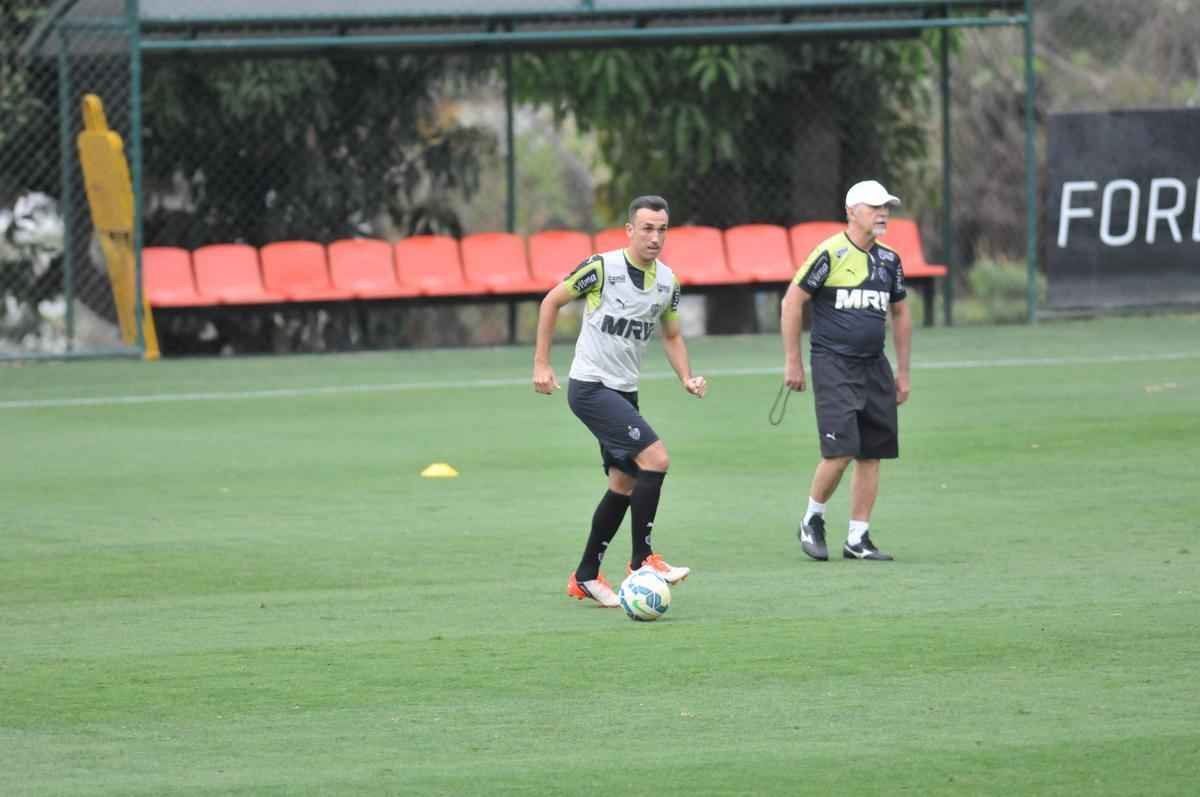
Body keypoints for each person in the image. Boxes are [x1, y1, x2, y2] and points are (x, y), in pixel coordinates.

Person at [533, 195, 708, 607]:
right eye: (647, 228)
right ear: (629, 230)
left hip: (624, 391)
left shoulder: (667, 282)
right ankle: (642, 560)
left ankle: (585, 576)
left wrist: (686, 376)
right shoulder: (601, 268)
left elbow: (672, 335)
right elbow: (551, 301)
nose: (655, 237)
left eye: (662, 229)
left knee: (624, 483)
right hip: (591, 387)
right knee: (656, 459)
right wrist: (541, 364)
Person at [780, 179, 913, 562]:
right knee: (840, 451)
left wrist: (903, 372)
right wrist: (793, 361)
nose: (883, 213)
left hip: (875, 364)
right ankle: (812, 518)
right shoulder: (829, 253)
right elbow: (792, 302)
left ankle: (858, 537)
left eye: (886, 207)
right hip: (833, 363)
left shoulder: (890, 260)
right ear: (852, 212)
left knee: (871, 453)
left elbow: (900, 312)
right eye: (875, 207)